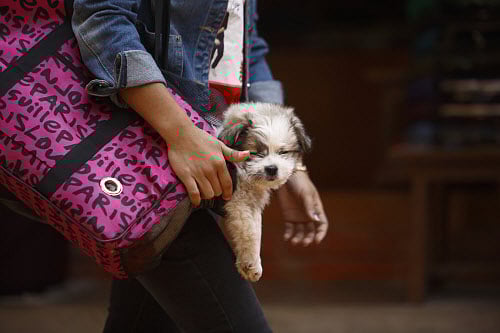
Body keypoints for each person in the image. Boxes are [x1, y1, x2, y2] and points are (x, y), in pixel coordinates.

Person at [72, 0, 329, 331]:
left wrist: (289, 162)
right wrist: (180, 133)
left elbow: (249, 47)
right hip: (158, 158)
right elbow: (102, 18)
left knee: (139, 323)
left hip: (210, 160)